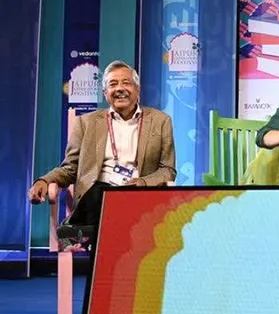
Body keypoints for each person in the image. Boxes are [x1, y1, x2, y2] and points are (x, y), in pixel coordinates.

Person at [26, 60, 177, 248]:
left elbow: (167, 170)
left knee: (115, 203)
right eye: (113, 84)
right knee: (100, 191)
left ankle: (81, 232)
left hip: (138, 194)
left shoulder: (160, 121)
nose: (120, 89)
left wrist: (143, 182)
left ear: (137, 89)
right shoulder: (87, 123)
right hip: (98, 197)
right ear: (105, 93)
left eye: (126, 83)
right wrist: (44, 181)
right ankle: (93, 234)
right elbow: (70, 168)